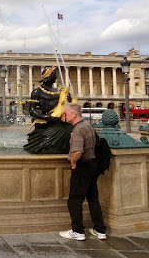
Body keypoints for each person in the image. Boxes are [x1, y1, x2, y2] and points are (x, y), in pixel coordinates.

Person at [59, 102, 107, 241]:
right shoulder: (88, 126)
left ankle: (77, 231)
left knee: (74, 200)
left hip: (82, 166)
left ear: (73, 114)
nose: (64, 116)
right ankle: (100, 230)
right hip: (92, 165)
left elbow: (78, 151)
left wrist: (73, 162)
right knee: (93, 198)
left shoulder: (78, 129)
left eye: (66, 113)